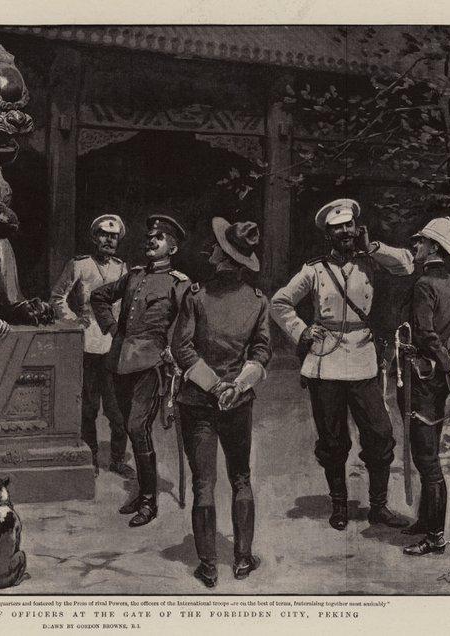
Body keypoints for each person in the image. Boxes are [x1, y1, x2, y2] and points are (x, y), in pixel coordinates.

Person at [271, 199, 414, 532]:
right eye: (338, 228)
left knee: (380, 435)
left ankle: (378, 507)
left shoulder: (371, 262)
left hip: (362, 360)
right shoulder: (315, 270)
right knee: (333, 440)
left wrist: (373, 247)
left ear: (357, 229)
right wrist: (302, 331)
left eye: (349, 225)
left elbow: (406, 266)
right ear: (329, 234)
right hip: (326, 362)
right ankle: (339, 505)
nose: (345, 232)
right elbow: (279, 302)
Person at [172, 219, 272, 586]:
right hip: (238, 401)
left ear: (224, 257)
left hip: (199, 400)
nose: (211, 249)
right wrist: (237, 386)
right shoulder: (258, 300)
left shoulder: (196, 295)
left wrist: (215, 388)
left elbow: (181, 348)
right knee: (241, 477)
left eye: (216, 245)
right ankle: (243, 559)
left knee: (203, 482)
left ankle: (209, 566)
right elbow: (262, 350)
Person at [91, 215, 191, 527]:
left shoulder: (179, 284)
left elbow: (188, 324)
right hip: (121, 362)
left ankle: (149, 501)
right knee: (129, 426)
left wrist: (173, 349)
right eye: (149, 237)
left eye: (158, 239)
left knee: (137, 427)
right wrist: (111, 328)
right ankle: (143, 492)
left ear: (172, 248)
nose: (150, 241)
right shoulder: (134, 275)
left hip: (152, 364)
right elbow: (99, 296)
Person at [397, 217, 450, 556]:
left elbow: (426, 334)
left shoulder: (424, 284)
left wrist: (445, 362)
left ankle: (436, 537)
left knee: (426, 459)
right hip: (438, 383)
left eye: (421, 241)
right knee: (429, 453)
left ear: (433, 248)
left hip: (421, 380)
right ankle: (427, 521)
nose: (415, 245)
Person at [50, 215, 132, 477]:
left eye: (113, 236)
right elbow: (57, 297)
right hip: (87, 344)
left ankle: (117, 459)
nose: (109, 240)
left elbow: (127, 305)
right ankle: (91, 458)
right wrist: (74, 321)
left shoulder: (122, 268)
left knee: (117, 409)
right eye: (104, 235)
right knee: (88, 408)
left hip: (114, 346)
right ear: (95, 237)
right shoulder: (80, 264)